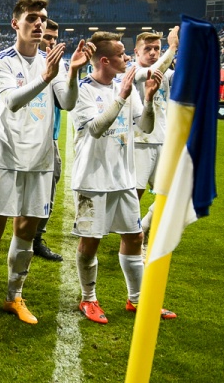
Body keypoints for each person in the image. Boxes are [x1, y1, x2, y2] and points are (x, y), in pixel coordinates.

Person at [0, 0, 75, 340]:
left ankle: (13, 297)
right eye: (32, 18)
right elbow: (10, 101)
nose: (39, 24)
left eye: (42, 18)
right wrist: (46, 77)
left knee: (26, 231)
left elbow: (68, 103)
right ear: (16, 23)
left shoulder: (50, 61)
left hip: (40, 160)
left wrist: (71, 74)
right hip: (5, 158)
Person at [70, 31, 176, 323]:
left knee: (134, 236)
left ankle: (138, 300)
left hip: (124, 177)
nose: (127, 58)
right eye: (121, 54)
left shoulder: (123, 85)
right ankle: (88, 299)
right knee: (91, 241)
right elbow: (95, 129)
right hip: (92, 179)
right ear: (105, 60)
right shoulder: (83, 90)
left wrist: (150, 99)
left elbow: (145, 125)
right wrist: (121, 97)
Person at [131, 27, 179, 235]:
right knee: (135, 195)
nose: (152, 52)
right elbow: (154, 71)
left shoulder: (167, 73)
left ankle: (145, 225)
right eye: (147, 48)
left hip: (163, 141)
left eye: (157, 49)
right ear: (136, 52)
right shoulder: (130, 71)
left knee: (173, 192)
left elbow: (186, 81)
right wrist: (173, 47)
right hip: (139, 142)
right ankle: (131, 238)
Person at [31, 20, 65, 261]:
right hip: (19, 138)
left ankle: (36, 239)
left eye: (54, 38)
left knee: (49, 187)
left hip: (48, 137)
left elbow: (65, 102)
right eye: (48, 37)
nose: (51, 42)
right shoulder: (20, 62)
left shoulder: (59, 65)